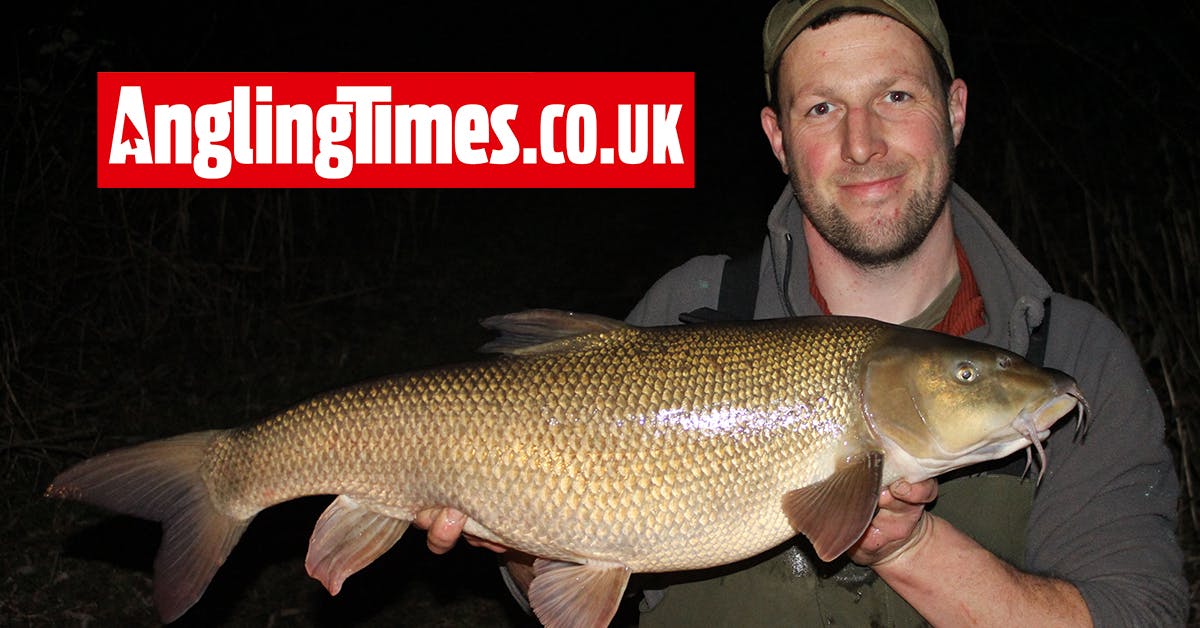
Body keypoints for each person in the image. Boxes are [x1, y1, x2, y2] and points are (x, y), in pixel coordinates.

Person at [418, 0, 1188, 624]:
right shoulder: (691, 307)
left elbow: (1140, 611)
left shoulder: (1075, 351)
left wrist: (909, 547)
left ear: (954, 111)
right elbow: (577, 588)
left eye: (895, 95)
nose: (862, 144)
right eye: (822, 108)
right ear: (777, 139)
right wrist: (518, 534)